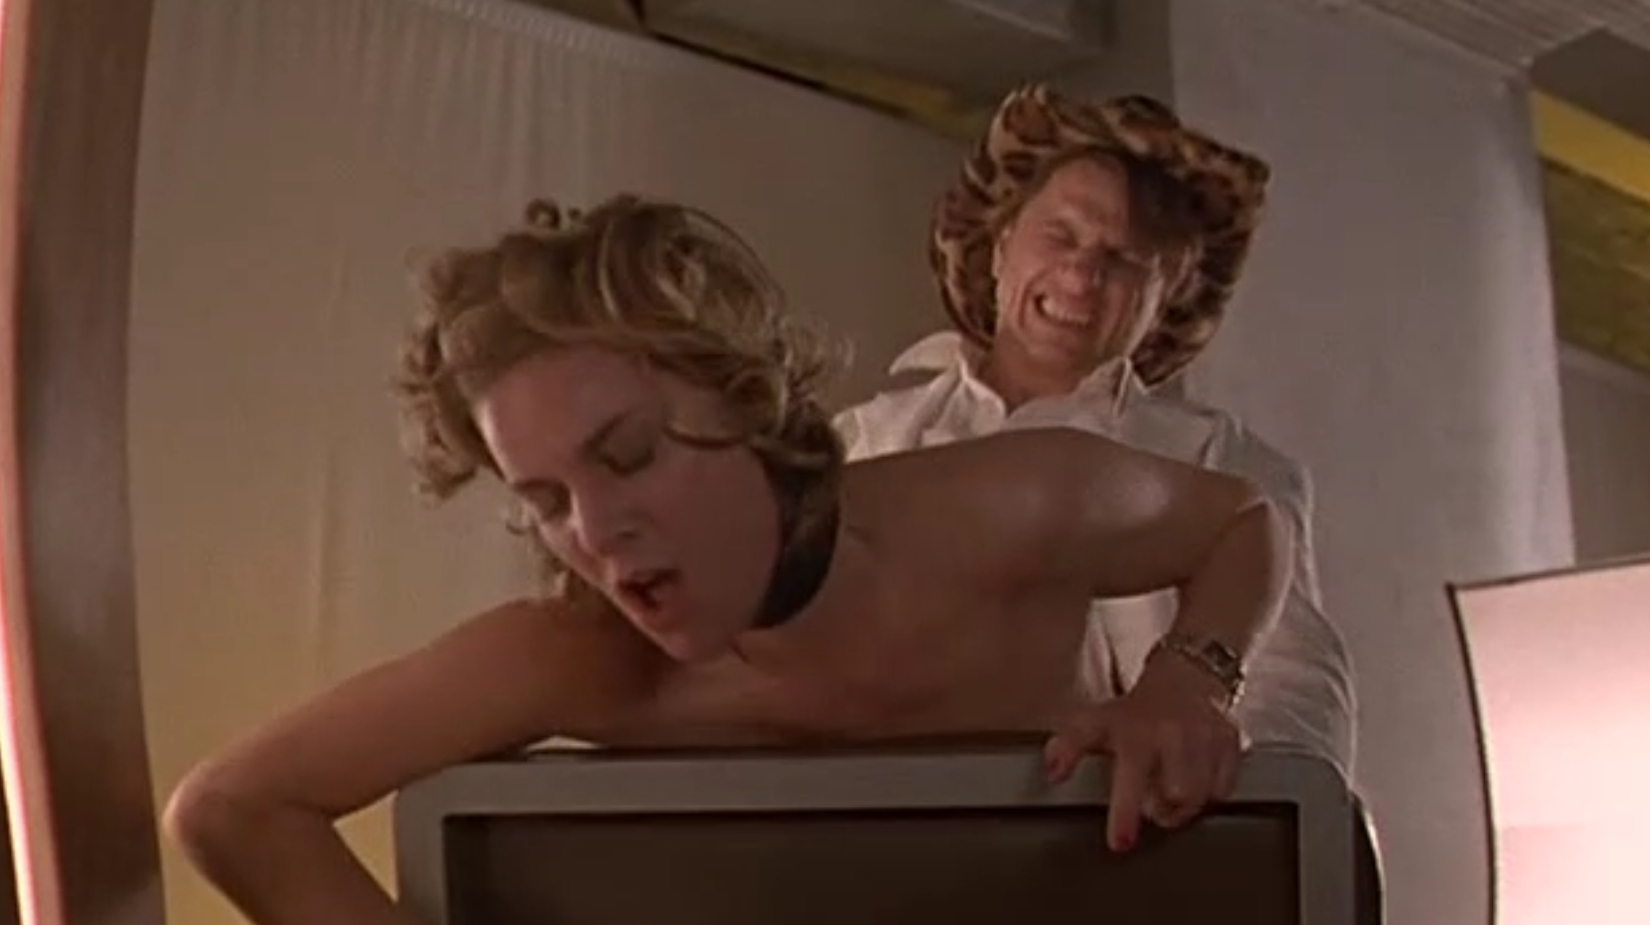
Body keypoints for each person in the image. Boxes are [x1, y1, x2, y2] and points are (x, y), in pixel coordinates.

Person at [163, 193, 1291, 925]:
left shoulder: (1008, 506)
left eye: (630, 455)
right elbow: (233, 807)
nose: (595, 531)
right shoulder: (578, 657)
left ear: (751, 403)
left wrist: (1189, 678)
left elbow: (1244, 519)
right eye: (546, 499)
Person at [836, 85, 1356, 776]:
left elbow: (1295, 694)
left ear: (1167, 295)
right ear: (999, 247)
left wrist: (1218, 781)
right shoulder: (858, 442)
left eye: (1124, 259)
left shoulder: (1224, 465)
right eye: (1062, 236)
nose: (1081, 274)